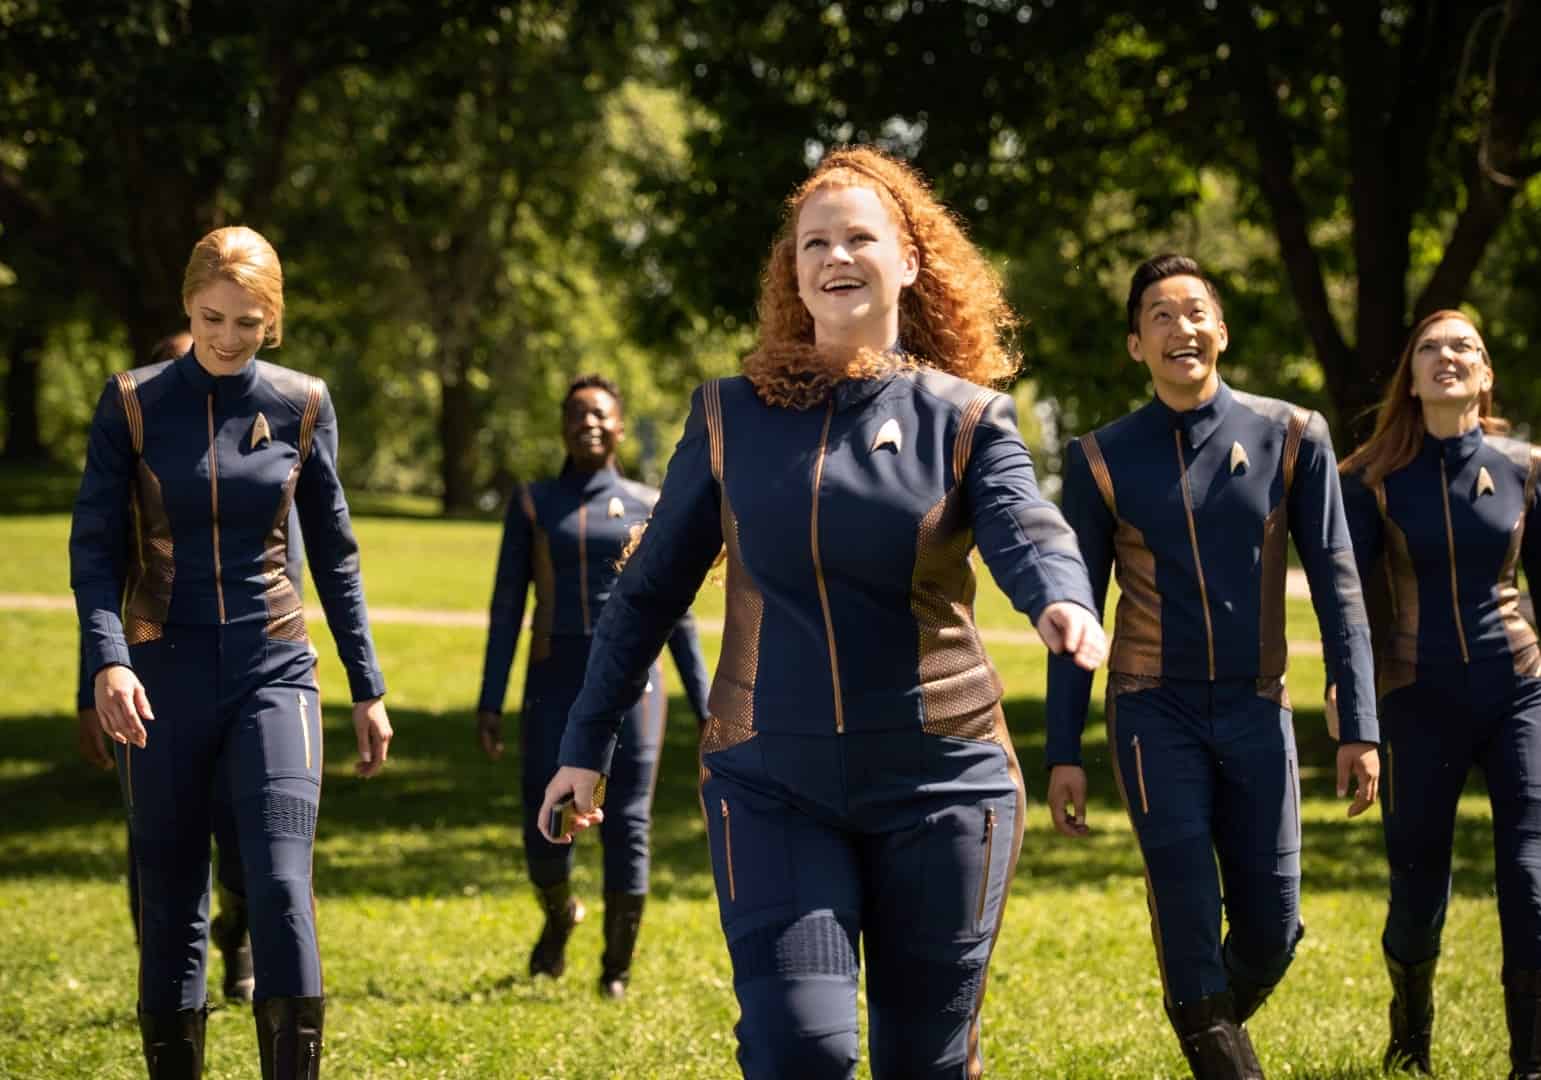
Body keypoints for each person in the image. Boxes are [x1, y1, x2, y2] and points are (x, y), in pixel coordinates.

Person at [538, 145, 1106, 1078]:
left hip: (943, 784)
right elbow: (647, 592)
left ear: (908, 261)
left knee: (923, 1062)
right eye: (813, 243)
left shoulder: (965, 417)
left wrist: (1062, 598)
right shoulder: (728, 416)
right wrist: (584, 742)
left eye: (858, 239)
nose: (835, 256)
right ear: (792, 272)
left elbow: (1025, 526)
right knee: (799, 1047)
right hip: (771, 784)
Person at [1043, 253, 1380, 1078]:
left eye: (1194, 312)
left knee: (1273, 928)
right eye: (1158, 315)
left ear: (1221, 332)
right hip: (1150, 712)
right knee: (1188, 915)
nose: (1180, 328)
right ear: (1135, 344)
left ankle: (1204, 1023)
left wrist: (1359, 723)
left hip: (1257, 706)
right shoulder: (1098, 458)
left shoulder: (1291, 436)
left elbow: (1338, 586)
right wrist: (1061, 750)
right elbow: (1074, 613)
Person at [70, 225, 391, 1080]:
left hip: (272, 669)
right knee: (172, 896)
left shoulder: (302, 403)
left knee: (281, 884)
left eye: (247, 323)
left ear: (272, 320)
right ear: (188, 305)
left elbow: (336, 553)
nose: (226, 337)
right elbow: (94, 548)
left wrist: (367, 685)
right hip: (160, 674)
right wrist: (107, 660)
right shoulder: (131, 402)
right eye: (211, 318)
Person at [73, 331, 310, 1006]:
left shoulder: (266, 453)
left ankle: (236, 937)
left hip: (251, 665)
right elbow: (103, 586)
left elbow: (290, 567)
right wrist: (91, 687)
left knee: (244, 834)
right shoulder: (134, 457)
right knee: (159, 847)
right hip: (147, 670)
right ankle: (173, 977)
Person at [1338, 309, 1541, 1078]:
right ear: (1411, 377)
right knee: (1417, 887)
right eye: (1428, 347)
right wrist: (1352, 704)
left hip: (1516, 688)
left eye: (1463, 347)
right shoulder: (1369, 480)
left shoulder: (1525, 467)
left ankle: (1528, 1060)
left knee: (1529, 877)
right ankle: (1409, 1030)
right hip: (1415, 697)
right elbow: (1348, 604)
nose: (1445, 356)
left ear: (1485, 374)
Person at [475, 373, 712, 997]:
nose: (589, 423)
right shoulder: (534, 504)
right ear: (562, 427)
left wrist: (707, 706)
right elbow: (507, 608)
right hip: (553, 681)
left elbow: (678, 613)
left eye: (601, 414)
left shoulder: (650, 504)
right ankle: (559, 916)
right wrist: (490, 701)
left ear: (621, 427)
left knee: (627, 821)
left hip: (636, 688)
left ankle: (616, 971)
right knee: (550, 818)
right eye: (577, 414)